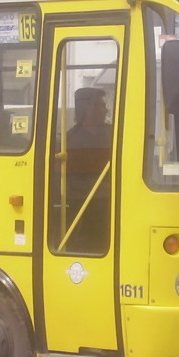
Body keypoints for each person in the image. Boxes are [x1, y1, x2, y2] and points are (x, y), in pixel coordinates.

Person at [65, 87, 113, 252]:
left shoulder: (115, 134)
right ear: (87, 108)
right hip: (82, 206)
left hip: (112, 203)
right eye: (100, 104)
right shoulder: (68, 140)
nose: (106, 109)